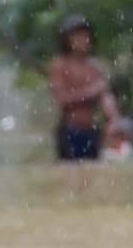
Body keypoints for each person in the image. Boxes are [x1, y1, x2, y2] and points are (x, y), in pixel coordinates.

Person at [48, 15, 119, 162]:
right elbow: (61, 99)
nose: (82, 40)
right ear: (67, 40)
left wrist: (114, 120)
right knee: (70, 176)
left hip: (92, 130)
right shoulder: (60, 65)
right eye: (77, 36)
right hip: (71, 131)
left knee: (93, 174)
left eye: (85, 36)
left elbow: (105, 96)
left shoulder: (94, 67)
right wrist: (91, 92)